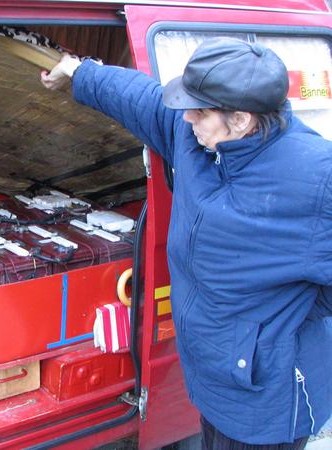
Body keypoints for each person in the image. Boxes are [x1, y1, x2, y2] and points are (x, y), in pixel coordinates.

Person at [41, 37, 332, 450]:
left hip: (266, 400)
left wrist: (288, 312)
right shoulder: (197, 137)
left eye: (200, 110)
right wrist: (77, 72)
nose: (187, 116)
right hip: (214, 376)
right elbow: (140, 99)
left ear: (242, 120)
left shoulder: (316, 178)